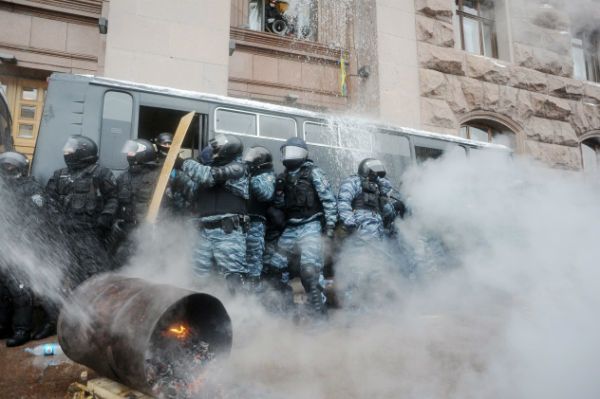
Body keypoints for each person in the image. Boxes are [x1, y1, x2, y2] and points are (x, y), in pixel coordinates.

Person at [40, 135, 118, 338]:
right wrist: (55, 219)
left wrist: (106, 217)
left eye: (70, 150)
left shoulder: (101, 173)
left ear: (82, 152)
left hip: (90, 235)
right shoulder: (59, 175)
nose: (67, 152)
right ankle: (59, 320)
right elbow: (49, 200)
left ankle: (97, 321)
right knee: (61, 276)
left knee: (93, 276)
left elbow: (114, 198)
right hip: (64, 235)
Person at [170, 134, 252, 293]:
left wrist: (183, 162)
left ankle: (243, 315)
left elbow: (208, 176)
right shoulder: (209, 169)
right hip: (203, 231)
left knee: (234, 279)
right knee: (198, 279)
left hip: (228, 232)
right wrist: (175, 174)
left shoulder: (238, 168)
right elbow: (191, 191)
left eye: (217, 149)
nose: (214, 152)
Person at [270, 137, 337, 315]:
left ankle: (318, 316)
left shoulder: (313, 172)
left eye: (294, 151)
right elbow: (279, 205)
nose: (290, 155)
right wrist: (278, 190)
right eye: (287, 151)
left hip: (311, 225)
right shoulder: (283, 177)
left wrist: (330, 227)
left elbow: (329, 200)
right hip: (291, 227)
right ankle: (286, 309)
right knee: (275, 267)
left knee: (309, 271)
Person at [336, 158, 405, 309]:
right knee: (356, 273)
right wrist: (350, 224)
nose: (376, 176)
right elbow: (343, 202)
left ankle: (373, 312)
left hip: (376, 236)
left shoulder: (378, 187)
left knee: (376, 273)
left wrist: (396, 207)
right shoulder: (353, 182)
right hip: (360, 235)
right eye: (374, 172)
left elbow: (386, 211)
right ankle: (353, 313)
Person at [0, 152, 46, 346]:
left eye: (11, 167)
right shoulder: (2, 188)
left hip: (22, 247)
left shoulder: (32, 188)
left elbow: (37, 217)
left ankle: (22, 329)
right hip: (3, 244)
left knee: (20, 289)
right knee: (2, 289)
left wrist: (22, 237)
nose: (7, 171)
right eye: (4, 167)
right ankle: (3, 326)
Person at [113, 139, 161, 266]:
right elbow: (115, 201)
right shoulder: (123, 177)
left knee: (147, 263)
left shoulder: (158, 177)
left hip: (148, 230)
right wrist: (115, 221)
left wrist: (157, 227)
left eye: (132, 151)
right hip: (125, 229)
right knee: (120, 263)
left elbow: (166, 205)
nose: (129, 154)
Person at [244, 146, 276, 290]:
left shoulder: (266, 175)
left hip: (255, 224)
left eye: (253, 156)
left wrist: (251, 178)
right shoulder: (248, 174)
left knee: (253, 263)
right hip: (240, 223)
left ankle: (252, 300)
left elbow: (265, 194)